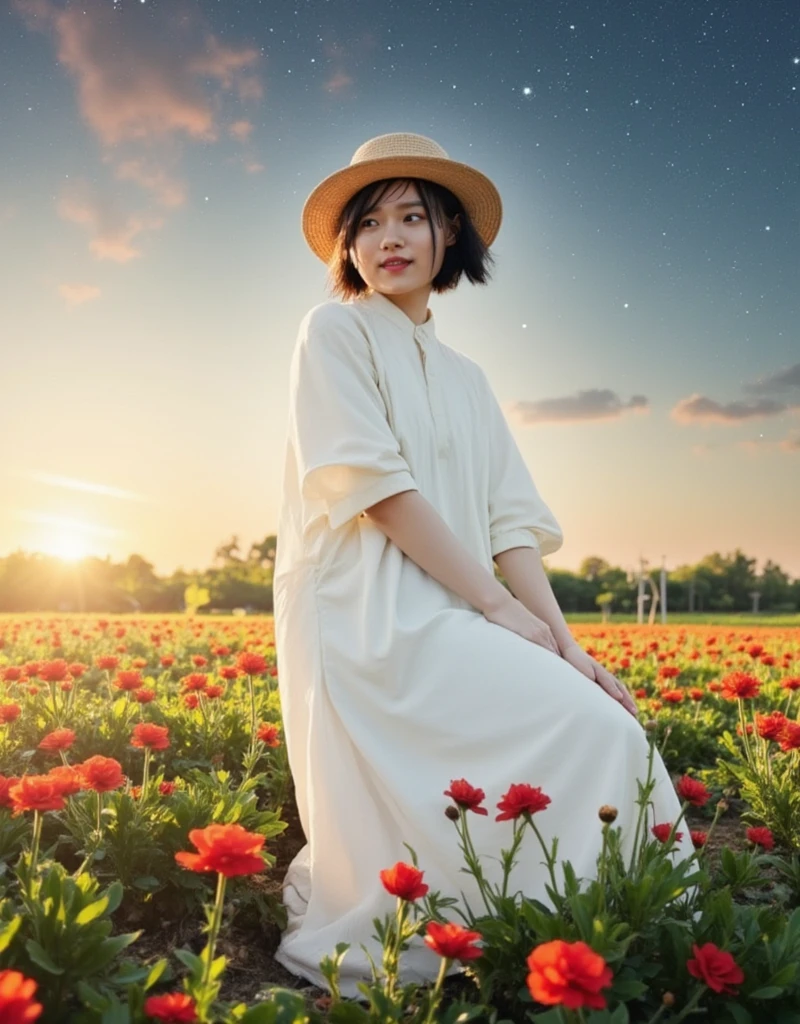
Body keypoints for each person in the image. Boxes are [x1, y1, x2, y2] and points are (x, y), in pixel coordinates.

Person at [272, 132, 694, 997]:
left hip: (457, 606)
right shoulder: (333, 333)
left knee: (599, 716)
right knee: (588, 731)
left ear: (450, 234)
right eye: (370, 222)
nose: (390, 238)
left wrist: (566, 648)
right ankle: (479, 934)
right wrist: (499, 615)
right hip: (366, 610)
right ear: (348, 245)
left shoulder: (468, 375)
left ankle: (564, 936)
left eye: (413, 217)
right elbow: (379, 489)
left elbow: (511, 526)